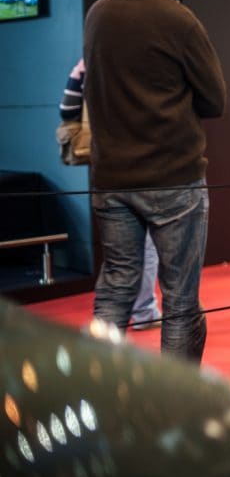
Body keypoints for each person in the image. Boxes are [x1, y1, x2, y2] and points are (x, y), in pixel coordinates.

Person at [84, 0, 226, 361]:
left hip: (110, 178)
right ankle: (176, 408)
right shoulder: (178, 18)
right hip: (172, 178)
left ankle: (96, 392)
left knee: (115, 289)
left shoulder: (98, 13)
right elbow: (214, 100)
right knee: (180, 300)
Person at [60, 59, 162, 330]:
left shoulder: (86, 63)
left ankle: (108, 330)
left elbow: (67, 108)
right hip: (147, 164)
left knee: (119, 259)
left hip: (107, 169)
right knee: (149, 244)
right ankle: (145, 311)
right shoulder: (143, 62)